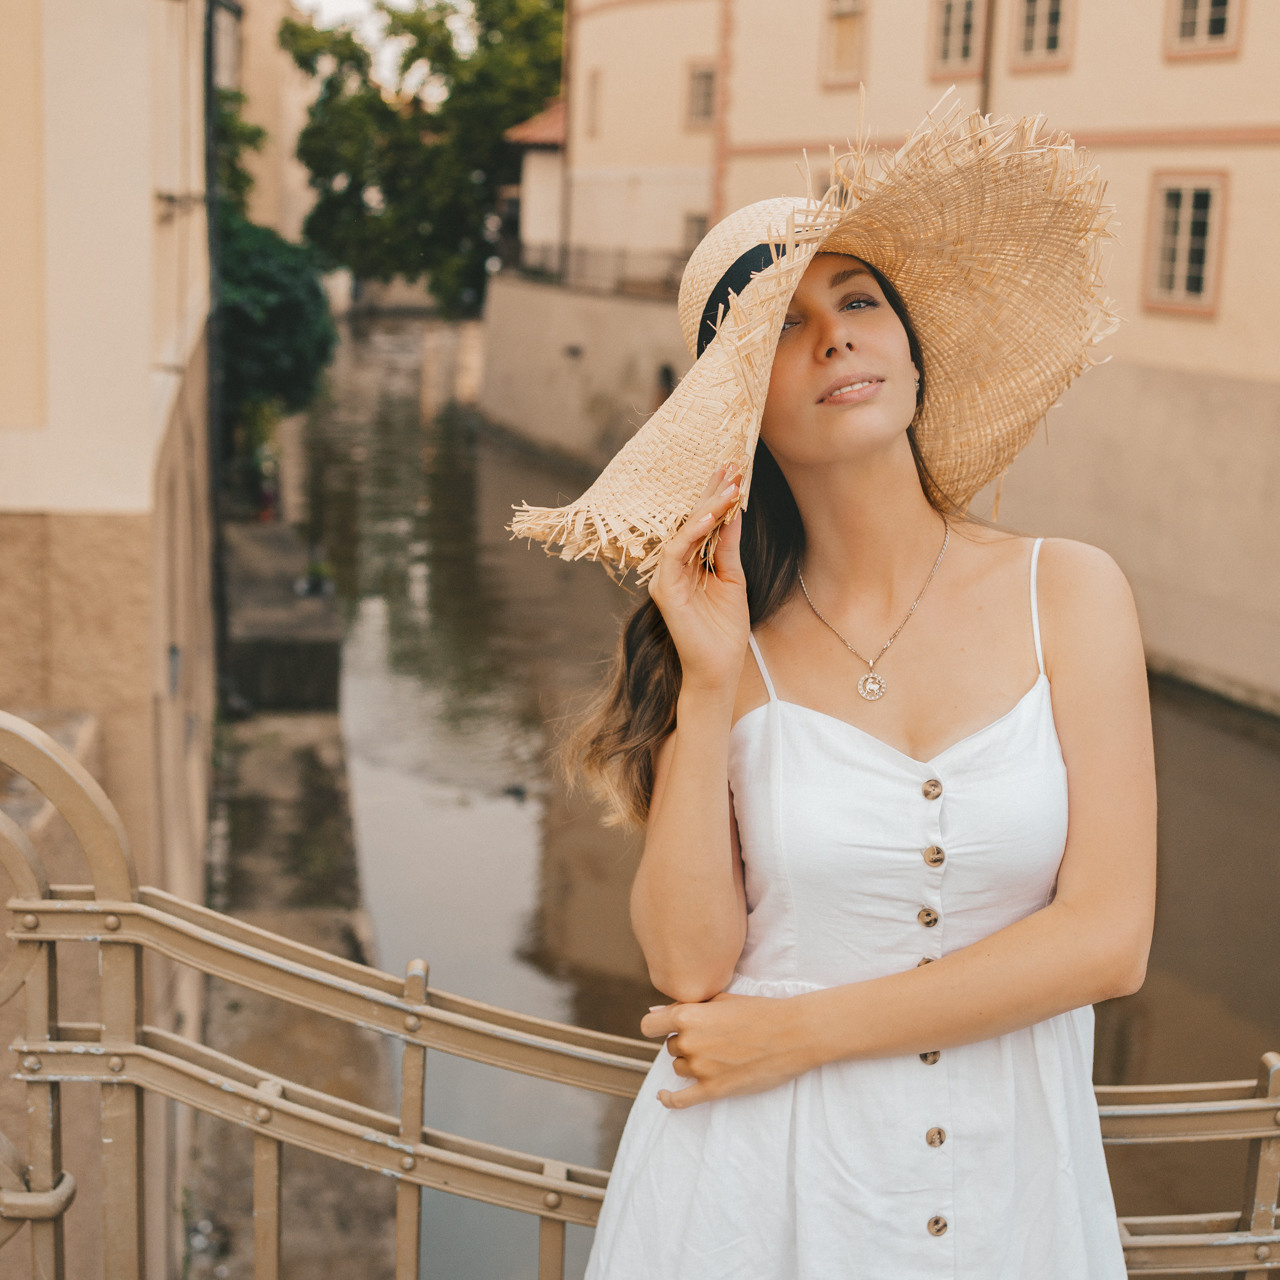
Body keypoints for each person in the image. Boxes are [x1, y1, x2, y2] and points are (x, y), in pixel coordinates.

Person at [512, 102, 1156, 1279]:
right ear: (740, 406)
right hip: (754, 1197)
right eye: (785, 330)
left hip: (1012, 1194)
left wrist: (795, 1034)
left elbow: (1108, 940)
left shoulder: (1068, 592)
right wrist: (705, 681)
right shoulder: (723, 642)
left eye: (857, 301)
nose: (834, 339)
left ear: (910, 346)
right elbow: (690, 969)